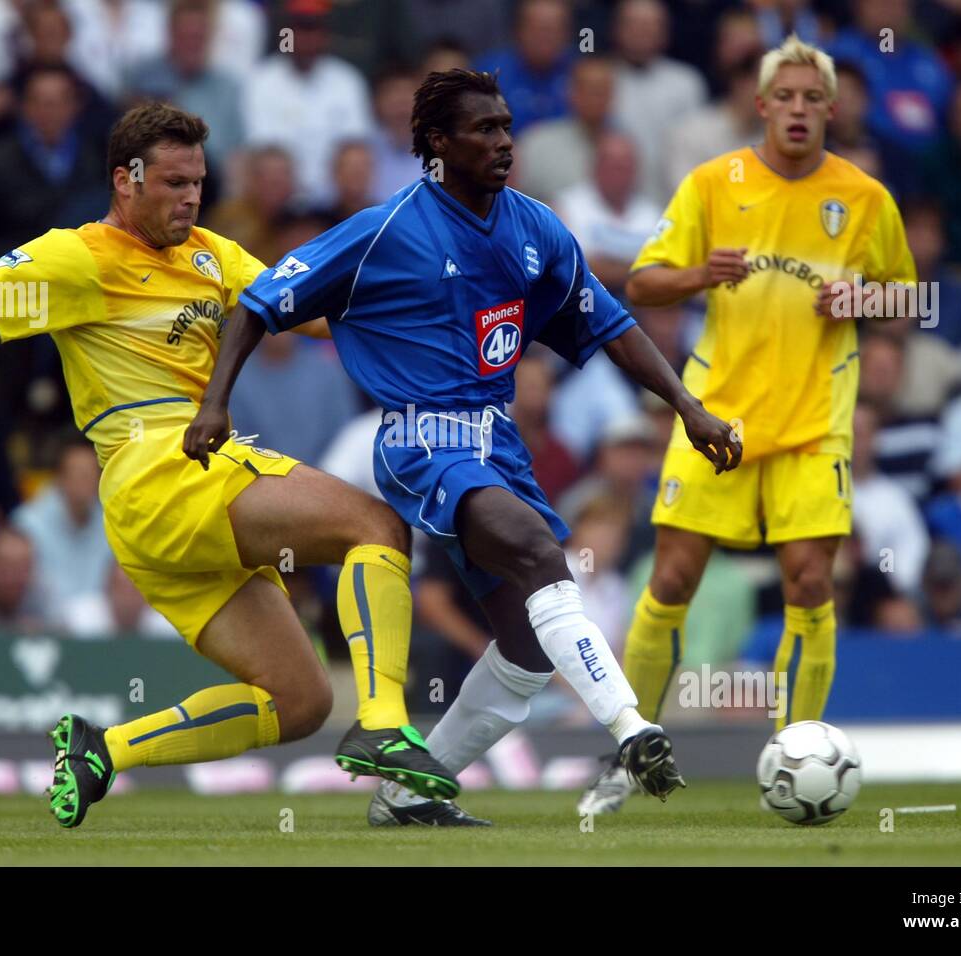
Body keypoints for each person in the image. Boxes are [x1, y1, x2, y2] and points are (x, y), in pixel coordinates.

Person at [0, 102, 458, 828]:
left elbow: (318, 315)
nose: (190, 196)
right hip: (161, 470)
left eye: (198, 181)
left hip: (170, 507)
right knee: (376, 525)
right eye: (173, 182)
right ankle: (386, 723)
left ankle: (104, 748)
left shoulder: (213, 253)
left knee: (299, 701)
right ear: (125, 179)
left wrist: (437, 316)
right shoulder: (76, 256)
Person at [204, 68, 741, 826]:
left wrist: (687, 405)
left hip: (499, 445)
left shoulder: (537, 228)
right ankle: (631, 727)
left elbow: (610, 323)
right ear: (435, 143)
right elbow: (258, 304)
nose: (503, 143)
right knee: (536, 552)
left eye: (507, 127)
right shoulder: (383, 230)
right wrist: (215, 403)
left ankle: (407, 798)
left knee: (524, 646)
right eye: (484, 129)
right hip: (421, 437)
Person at [578, 35, 917, 816]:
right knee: (671, 580)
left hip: (814, 424)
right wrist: (701, 274)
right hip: (715, 417)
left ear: (831, 109)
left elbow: (910, 296)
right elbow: (642, 281)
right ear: (761, 106)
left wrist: (863, 300)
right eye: (785, 98)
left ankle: (792, 752)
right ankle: (629, 752)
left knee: (809, 581)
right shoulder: (712, 183)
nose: (799, 110)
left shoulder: (864, 197)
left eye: (813, 99)